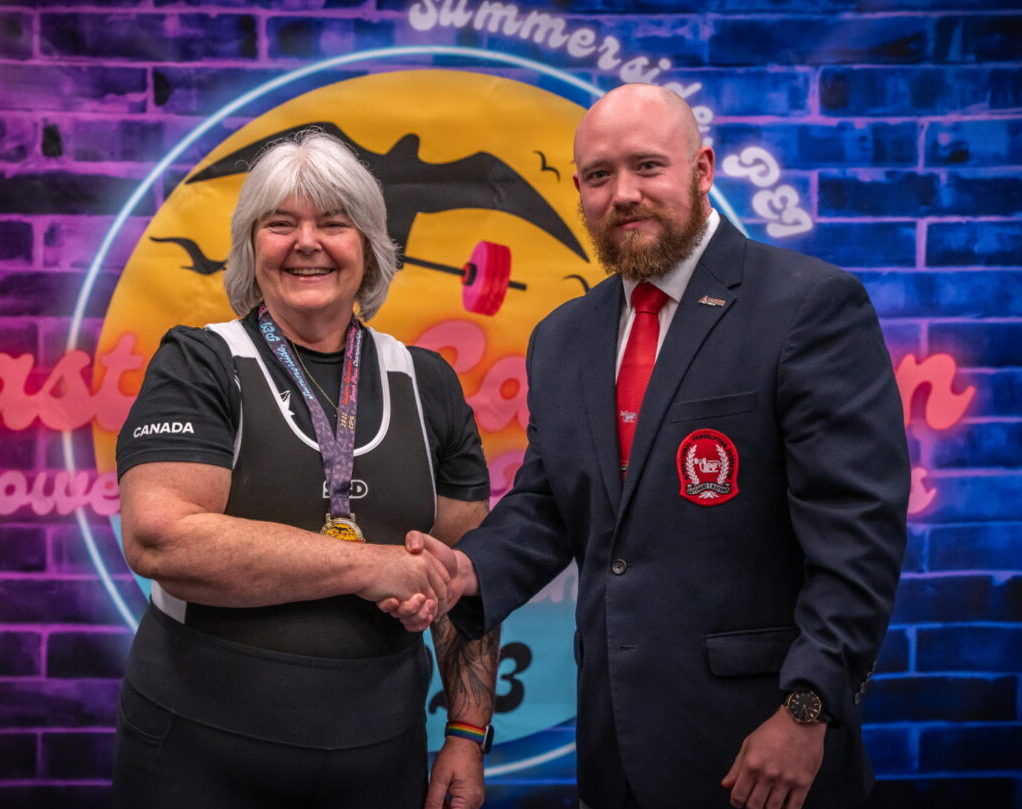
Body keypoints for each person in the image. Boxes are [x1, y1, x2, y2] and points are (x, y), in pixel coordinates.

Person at [387, 84, 910, 809]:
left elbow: (859, 535)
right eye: (600, 176)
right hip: (615, 748)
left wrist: (808, 709)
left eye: (647, 167)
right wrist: (466, 569)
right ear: (578, 190)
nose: (623, 193)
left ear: (701, 169)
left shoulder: (808, 307)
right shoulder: (564, 336)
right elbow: (547, 502)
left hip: (766, 746)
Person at [114, 130, 498, 809]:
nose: (307, 242)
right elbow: (160, 539)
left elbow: (468, 576)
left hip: (379, 754)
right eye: (280, 224)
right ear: (250, 247)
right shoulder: (200, 363)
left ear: (371, 247)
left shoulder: (427, 382)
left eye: (333, 223)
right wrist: (371, 565)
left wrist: (467, 733)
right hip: (200, 749)